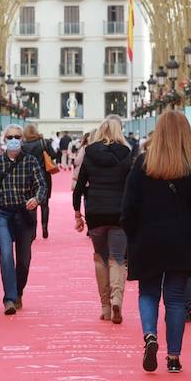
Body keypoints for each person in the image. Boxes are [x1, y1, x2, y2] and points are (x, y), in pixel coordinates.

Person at [121, 111, 191, 374]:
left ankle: (150, 336)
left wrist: (133, 235)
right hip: (182, 241)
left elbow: (128, 207)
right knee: (175, 300)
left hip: (148, 240)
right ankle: (173, 357)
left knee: (148, 293)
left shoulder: (143, 165)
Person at [0, 124, 49, 315]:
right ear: (4, 140)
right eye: (10, 136)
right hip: (2, 214)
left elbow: (41, 185)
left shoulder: (31, 161)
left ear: (22, 139)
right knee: (5, 255)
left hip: (24, 215)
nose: (13, 140)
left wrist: (36, 199)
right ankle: (9, 298)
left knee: (24, 259)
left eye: (17, 137)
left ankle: (18, 290)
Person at [73, 115, 133, 323]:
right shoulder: (126, 154)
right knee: (117, 258)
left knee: (100, 257)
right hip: (119, 213)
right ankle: (117, 298)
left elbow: (79, 187)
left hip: (95, 212)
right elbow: (131, 187)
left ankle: (105, 307)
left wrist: (77, 213)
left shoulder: (90, 153)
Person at [21, 123, 58, 238]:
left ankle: (33, 230)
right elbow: (54, 155)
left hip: (28, 177)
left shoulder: (23, 145)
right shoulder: (43, 142)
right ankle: (44, 226)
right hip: (44, 175)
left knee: (32, 203)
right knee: (45, 203)